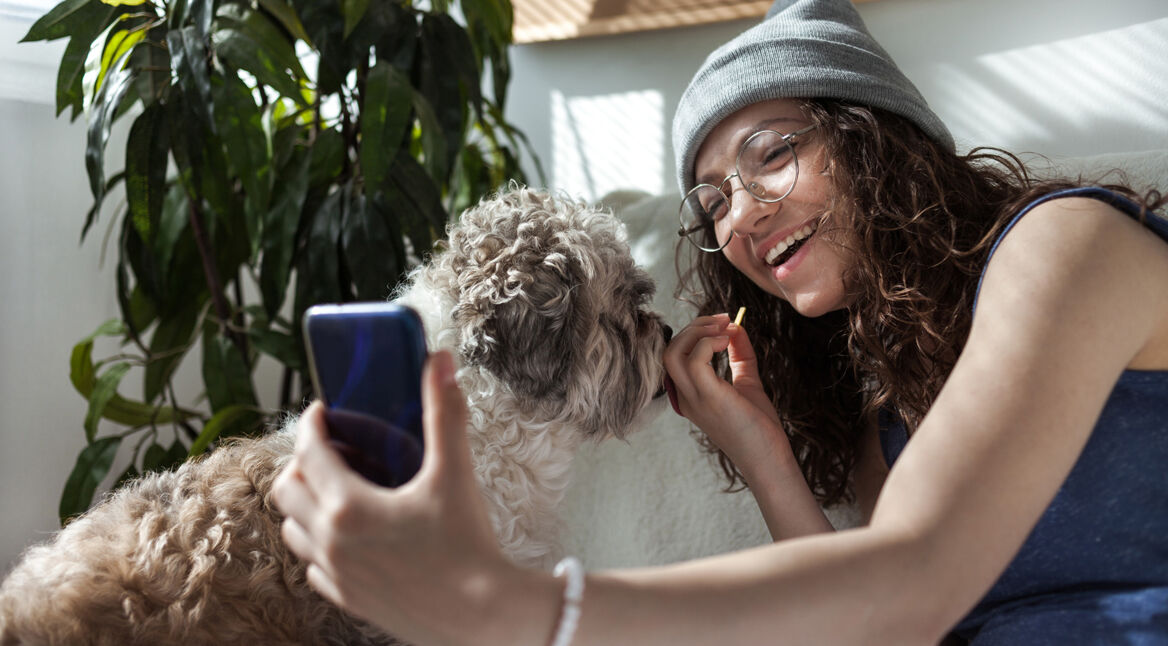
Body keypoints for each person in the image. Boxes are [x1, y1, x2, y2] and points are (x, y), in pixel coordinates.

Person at [272, 0, 1168, 643]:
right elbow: (866, 626)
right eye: (712, 200)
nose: (740, 215)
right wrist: (762, 450)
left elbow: (912, 581)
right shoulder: (888, 406)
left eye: (773, 153)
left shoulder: (1067, 243)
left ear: (873, 136)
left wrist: (505, 610)